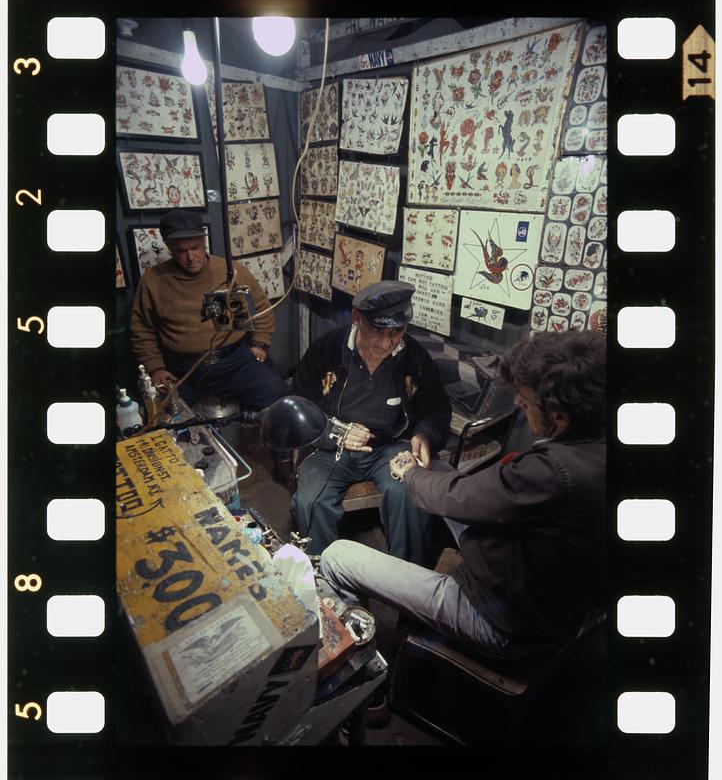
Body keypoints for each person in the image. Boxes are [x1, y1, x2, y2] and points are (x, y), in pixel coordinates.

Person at [320, 329, 606, 659]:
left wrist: (410, 473)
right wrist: (424, 473)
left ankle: (361, 672)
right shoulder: (593, 443)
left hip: (503, 622)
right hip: (535, 585)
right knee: (439, 472)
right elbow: (479, 493)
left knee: (337, 556)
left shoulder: (554, 472)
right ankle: (413, 574)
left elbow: (466, 497)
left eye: (526, 401)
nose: (517, 402)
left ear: (559, 417)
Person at [290, 280, 451, 566]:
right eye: (378, 330)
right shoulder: (326, 350)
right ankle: (325, 585)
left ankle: (406, 582)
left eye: (397, 332)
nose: (387, 342)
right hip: (329, 450)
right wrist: (332, 432)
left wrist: (425, 434)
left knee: (409, 493)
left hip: (388, 447)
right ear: (356, 318)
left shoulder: (413, 357)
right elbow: (296, 410)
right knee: (310, 502)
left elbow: (437, 409)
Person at [130, 209, 289, 430]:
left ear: (204, 240)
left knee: (280, 402)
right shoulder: (153, 280)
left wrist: (260, 343)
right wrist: (155, 367)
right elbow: (143, 330)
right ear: (168, 247)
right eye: (181, 251)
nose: (190, 257)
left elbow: (261, 307)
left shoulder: (231, 271)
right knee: (168, 423)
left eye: (195, 248)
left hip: (235, 361)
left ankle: (282, 461)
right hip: (183, 370)